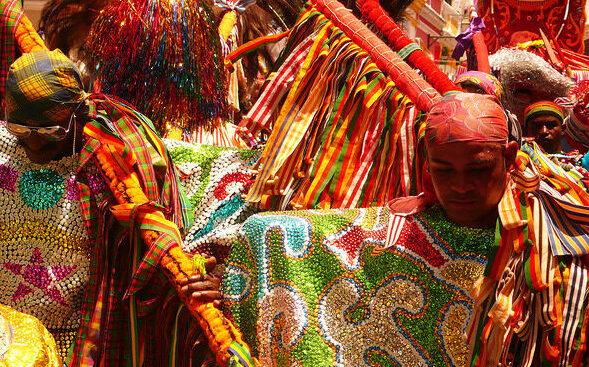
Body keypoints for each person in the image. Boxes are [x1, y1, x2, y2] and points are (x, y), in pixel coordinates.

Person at [223, 93, 518, 366]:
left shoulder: (540, 243)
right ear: (427, 162)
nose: (460, 186)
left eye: (478, 169)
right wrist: (234, 279)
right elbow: (277, 232)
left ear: (509, 157)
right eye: (443, 170)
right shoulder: (399, 230)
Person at [1, 49, 222, 366]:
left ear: (79, 113)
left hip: (75, 348)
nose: (34, 144)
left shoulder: (115, 168)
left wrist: (190, 278)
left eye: (51, 133)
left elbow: (150, 257)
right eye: (21, 130)